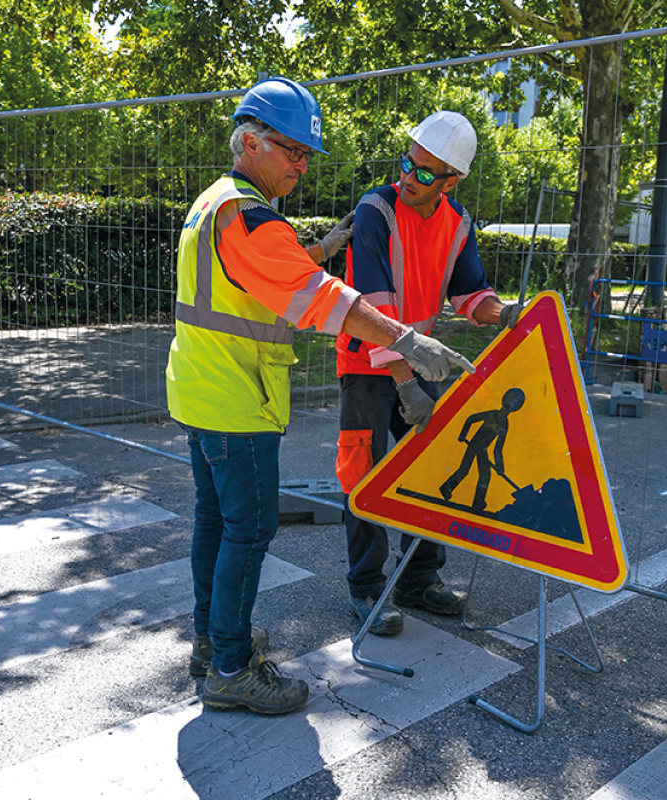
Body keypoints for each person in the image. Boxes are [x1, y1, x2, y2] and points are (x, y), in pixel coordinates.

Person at [166, 79, 473, 716]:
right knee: (247, 534)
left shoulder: (215, 202)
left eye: (309, 155)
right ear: (250, 142)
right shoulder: (249, 217)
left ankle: (210, 641)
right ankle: (228, 666)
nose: (302, 165)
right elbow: (327, 302)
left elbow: (259, 279)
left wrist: (318, 251)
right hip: (237, 400)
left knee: (214, 525)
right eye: (292, 151)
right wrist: (410, 344)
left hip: (200, 390)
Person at [335, 110, 522, 637]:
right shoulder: (376, 209)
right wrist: (405, 384)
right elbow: (374, 306)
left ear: (452, 181)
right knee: (364, 473)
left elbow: (470, 294)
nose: (407, 178)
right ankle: (366, 586)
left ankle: (419, 577)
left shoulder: (458, 223)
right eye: (407, 164)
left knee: (434, 467)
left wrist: (504, 313)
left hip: (419, 365)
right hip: (367, 364)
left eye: (423, 173)